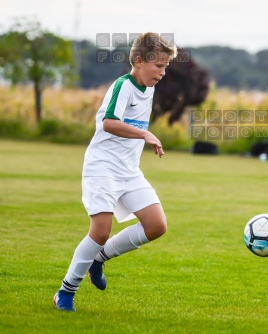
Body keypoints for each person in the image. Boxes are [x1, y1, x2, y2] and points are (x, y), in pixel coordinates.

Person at [53, 32, 178, 312]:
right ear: (138, 61)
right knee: (100, 230)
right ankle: (66, 291)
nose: (162, 72)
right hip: (102, 167)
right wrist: (145, 135)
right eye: (158, 66)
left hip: (128, 171)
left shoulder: (150, 88)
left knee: (156, 226)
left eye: (166, 67)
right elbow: (109, 123)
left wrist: (142, 137)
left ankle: (99, 259)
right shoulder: (124, 86)